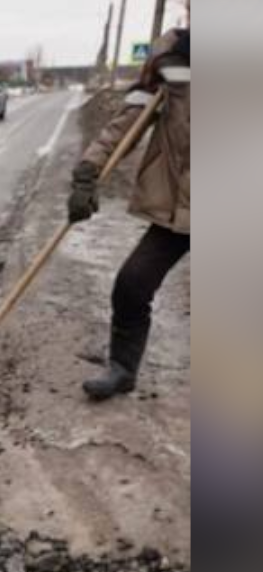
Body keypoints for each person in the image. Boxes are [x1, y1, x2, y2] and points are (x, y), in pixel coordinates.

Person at [68, 27, 189, 401]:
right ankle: (122, 369)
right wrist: (89, 171)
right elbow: (125, 124)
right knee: (132, 285)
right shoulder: (171, 60)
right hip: (183, 208)